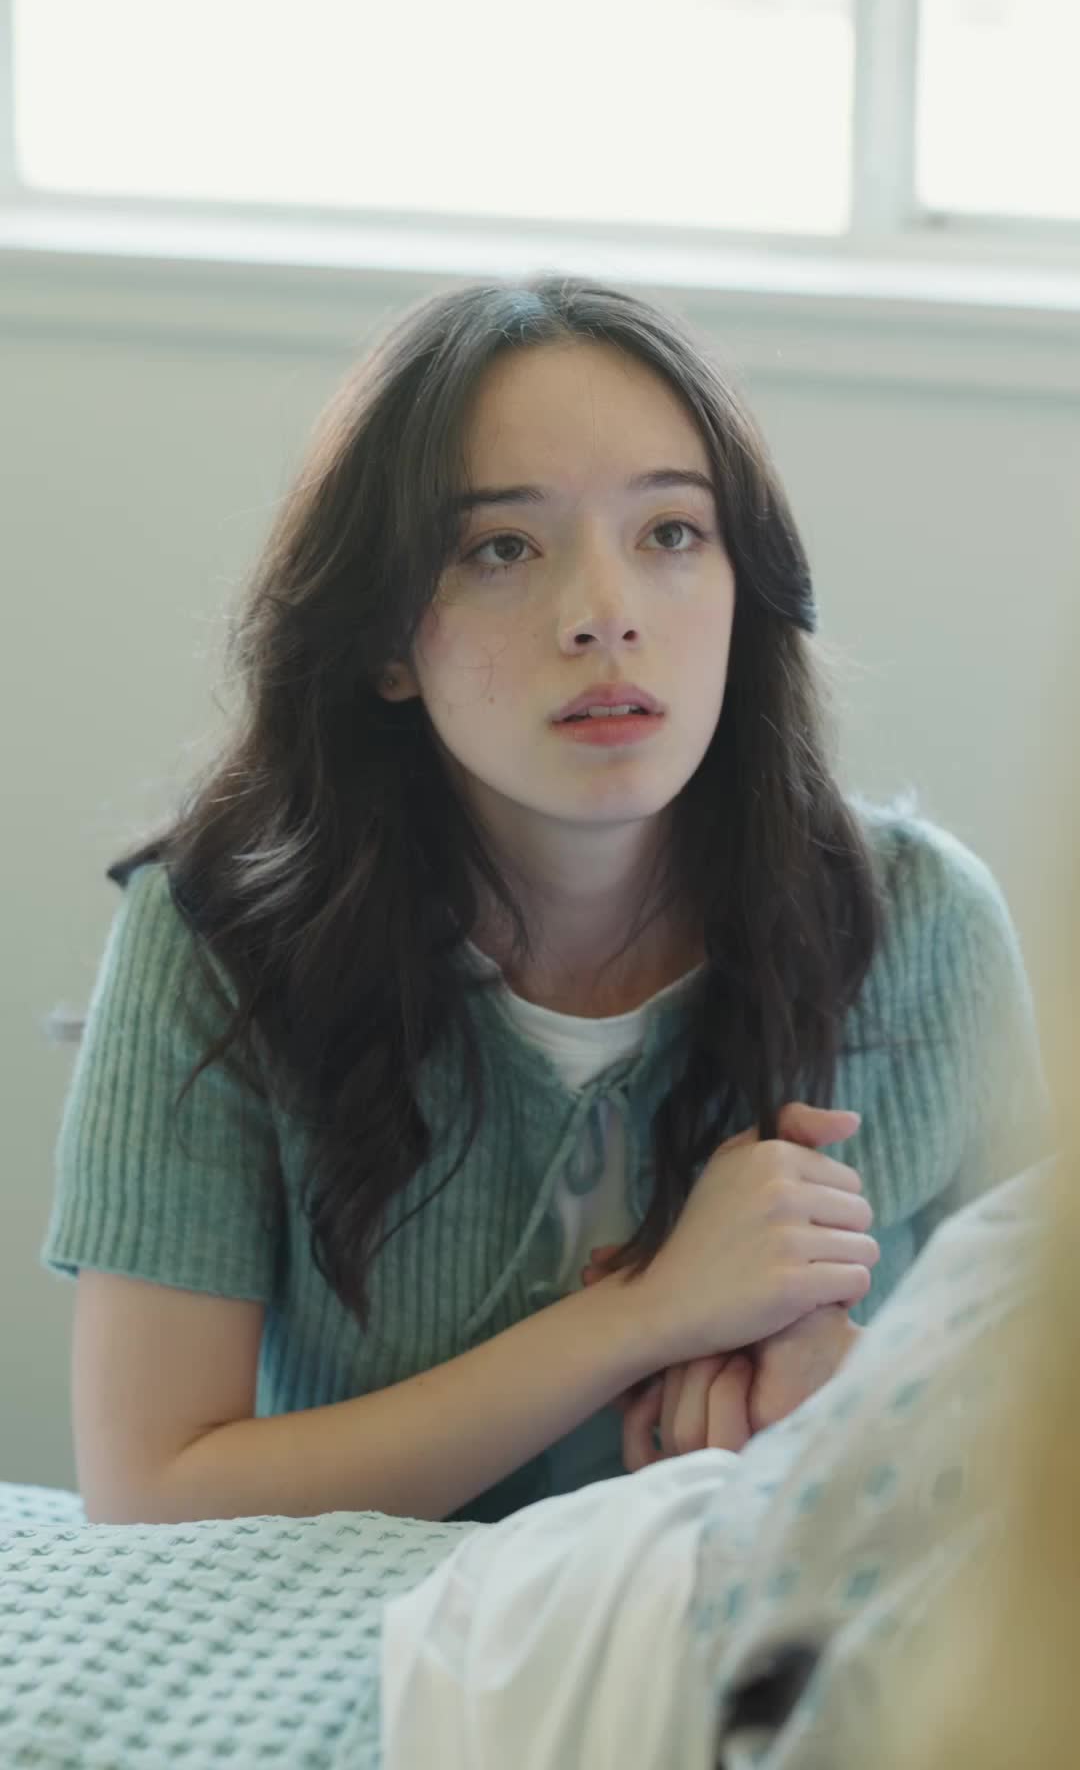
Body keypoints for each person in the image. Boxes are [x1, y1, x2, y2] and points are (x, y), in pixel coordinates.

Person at [40, 274, 1042, 1527]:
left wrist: (861, 1410)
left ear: (746, 585)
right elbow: (150, 1492)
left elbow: (1038, 1447)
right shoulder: (215, 937)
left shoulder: (928, 925)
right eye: (501, 549)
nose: (603, 617)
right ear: (386, 643)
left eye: (671, 533)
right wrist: (647, 1313)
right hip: (363, 1643)